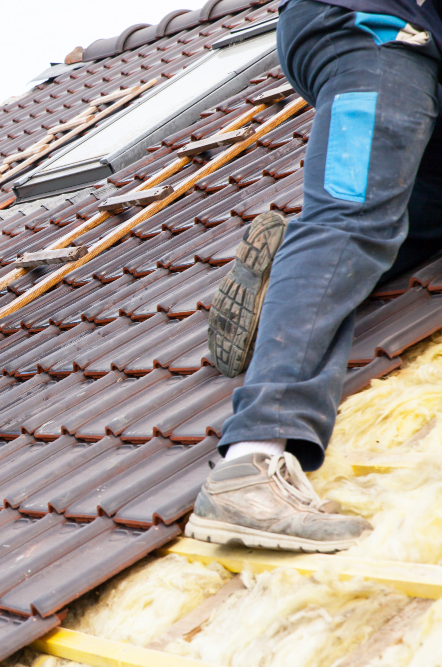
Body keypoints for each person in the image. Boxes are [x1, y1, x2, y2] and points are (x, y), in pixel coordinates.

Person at [188, 0, 442, 552]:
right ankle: (250, 463)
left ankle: (288, 274)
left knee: (413, 221)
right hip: (375, 30)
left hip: (403, 42)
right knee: (352, 219)